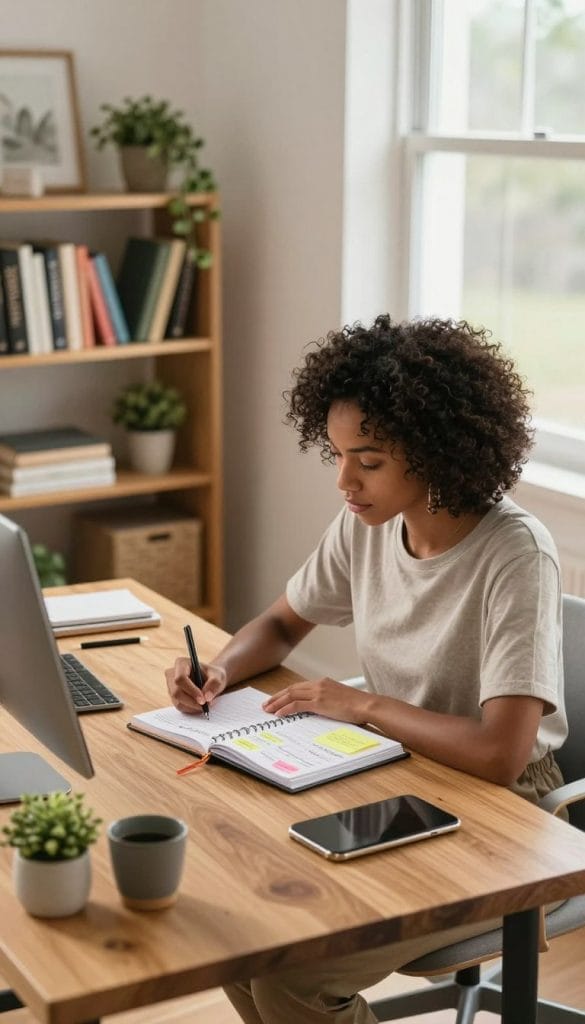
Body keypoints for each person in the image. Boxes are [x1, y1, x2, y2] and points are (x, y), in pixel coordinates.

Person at [165, 314, 567, 1024]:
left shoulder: (514, 555)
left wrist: (361, 707)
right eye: (338, 455)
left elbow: (501, 756)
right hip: (397, 776)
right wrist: (219, 672)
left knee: (292, 979)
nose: (345, 481)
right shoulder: (367, 523)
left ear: (436, 452)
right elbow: (283, 623)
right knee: (243, 933)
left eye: (369, 460)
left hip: (502, 822)